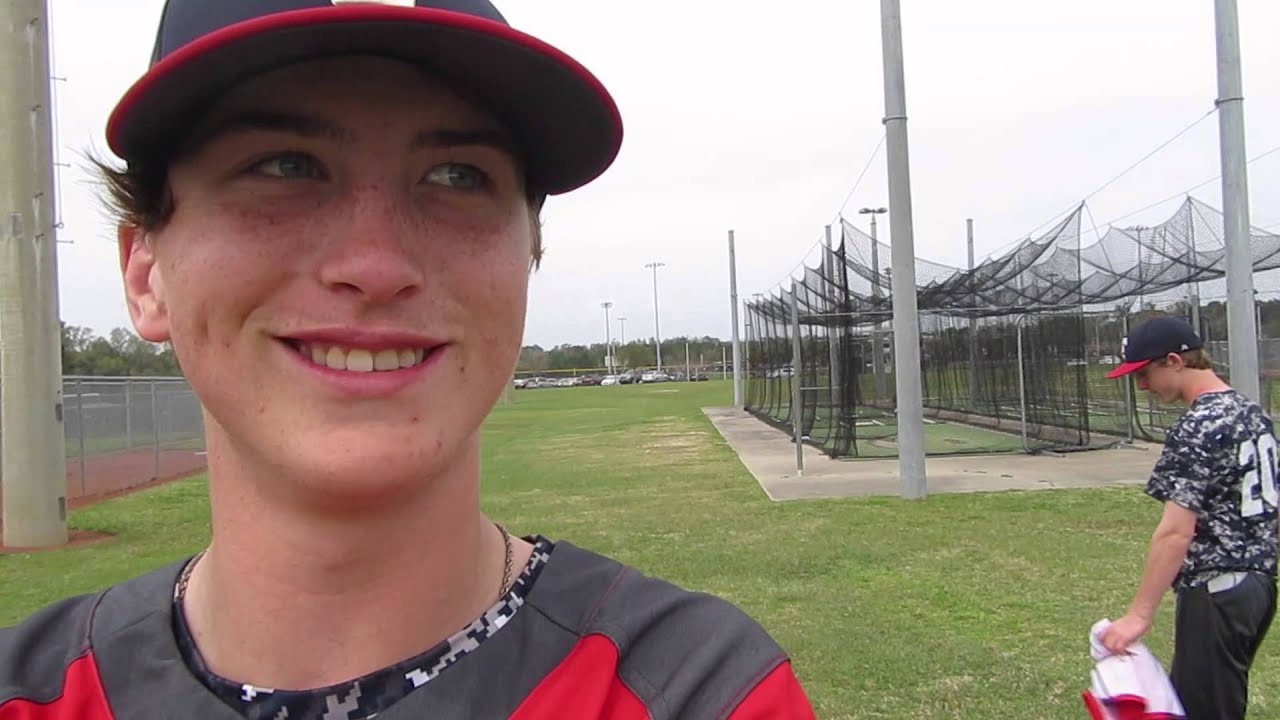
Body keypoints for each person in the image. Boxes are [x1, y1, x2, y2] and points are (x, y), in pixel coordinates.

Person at [0, 2, 817, 718]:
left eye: (457, 175)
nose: (377, 262)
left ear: (527, 257)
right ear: (146, 276)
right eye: (283, 165)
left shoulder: (695, 693)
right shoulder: (24, 692)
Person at [1100, 314, 1277, 720]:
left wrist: (1139, 614)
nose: (1141, 385)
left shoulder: (1200, 424)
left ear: (1175, 362)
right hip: (1257, 587)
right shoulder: (1252, 413)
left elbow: (1176, 532)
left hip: (1218, 588)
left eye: (1144, 373)